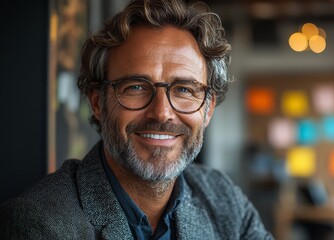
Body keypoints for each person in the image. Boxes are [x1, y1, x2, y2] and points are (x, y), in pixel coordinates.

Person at [0, 0, 273, 239]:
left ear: (208, 108)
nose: (162, 112)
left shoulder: (223, 198)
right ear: (98, 102)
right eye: (136, 87)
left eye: (184, 90)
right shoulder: (40, 224)